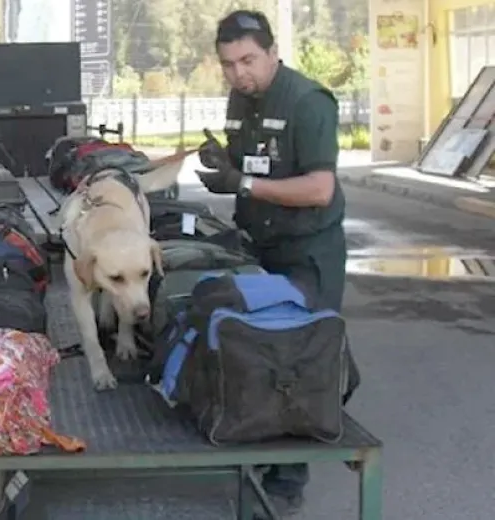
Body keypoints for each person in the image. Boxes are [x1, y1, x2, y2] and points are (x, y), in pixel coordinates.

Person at [194, 9, 348, 519]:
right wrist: (228, 164)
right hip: (259, 247)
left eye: (249, 60)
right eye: (228, 64)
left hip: (307, 252)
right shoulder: (243, 99)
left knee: (299, 359)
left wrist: (242, 183)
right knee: (259, 354)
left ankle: (287, 482)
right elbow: (250, 163)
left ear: (272, 52)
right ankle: (258, 450)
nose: (240, 73)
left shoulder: (308, 102)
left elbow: (320, 189)